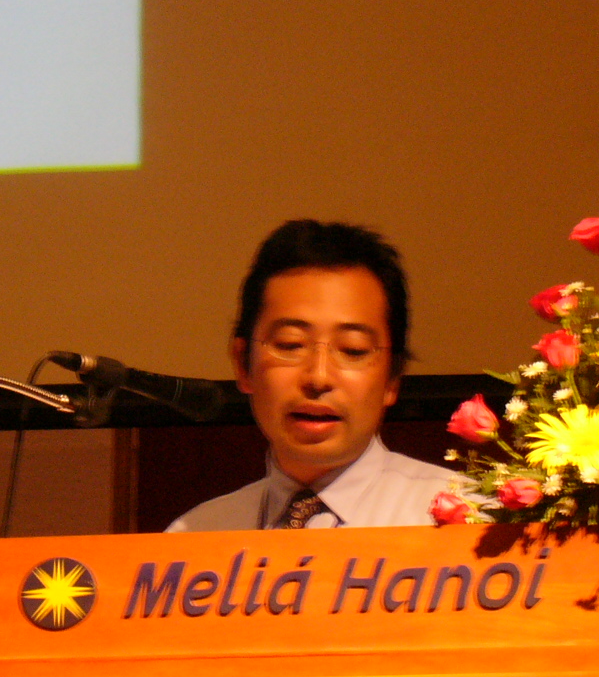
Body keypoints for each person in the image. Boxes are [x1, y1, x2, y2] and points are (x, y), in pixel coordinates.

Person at [167, 219, 455, 532]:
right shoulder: (195, 535)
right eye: (290, 345)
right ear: (242, 363)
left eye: (353, 350)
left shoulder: (462, 520)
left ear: (393, 377)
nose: (318, 378)